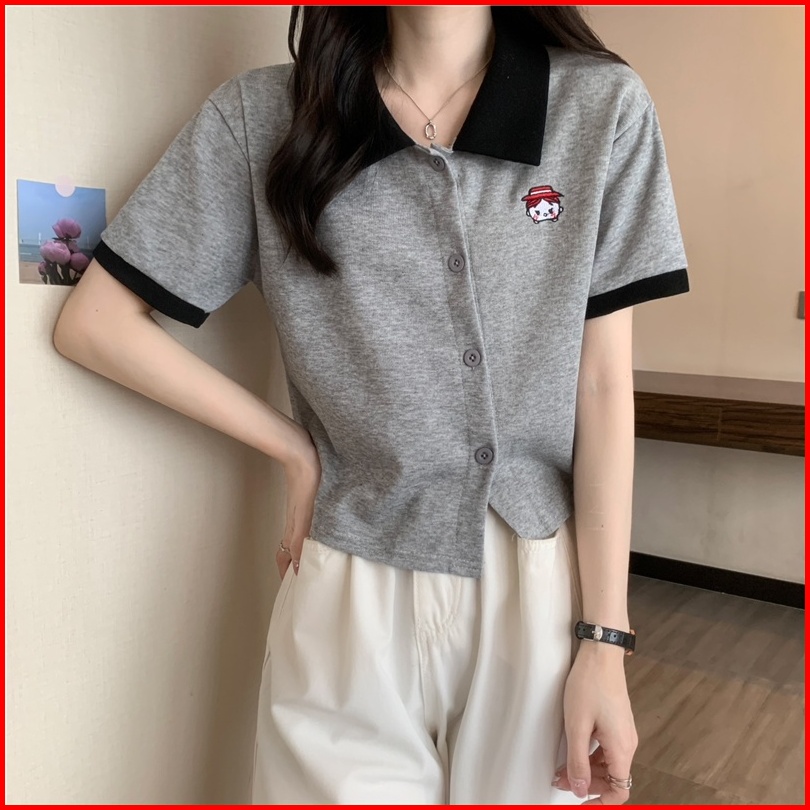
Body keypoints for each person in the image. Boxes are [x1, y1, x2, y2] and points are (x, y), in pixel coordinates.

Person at [53, 4, 690, 805]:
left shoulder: (600, 107)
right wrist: (293, 448)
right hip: (351, 579)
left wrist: (605, 640)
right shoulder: (263, 117)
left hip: (535, 579)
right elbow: (96, 323)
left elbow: (602, 385)